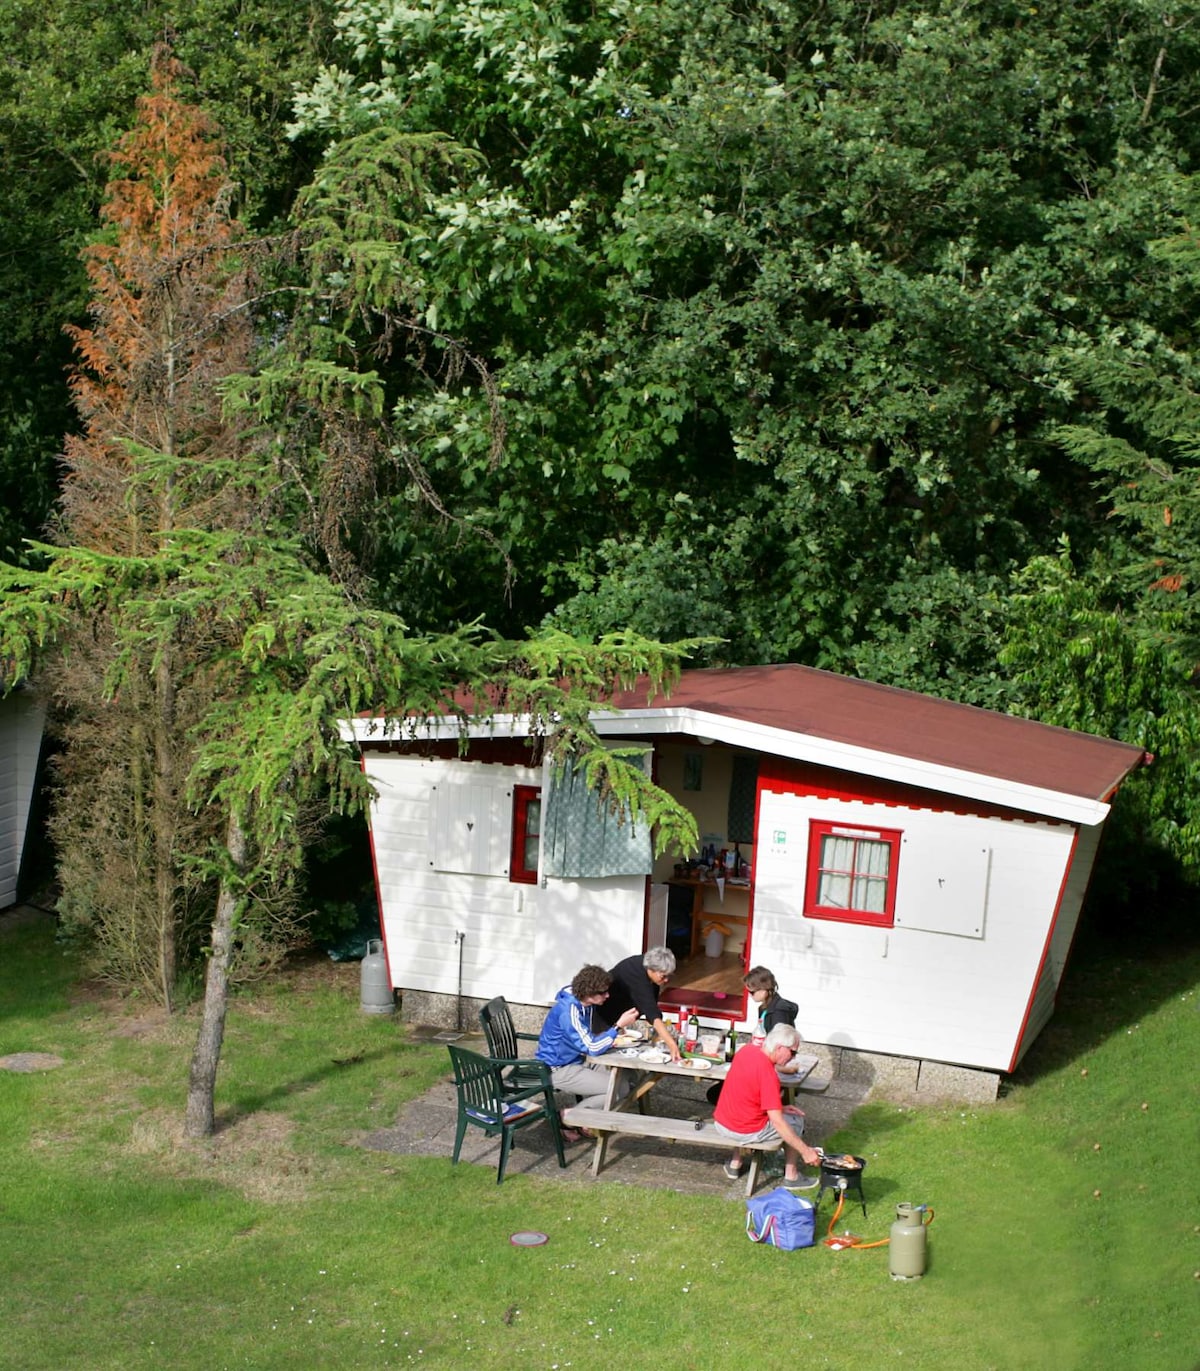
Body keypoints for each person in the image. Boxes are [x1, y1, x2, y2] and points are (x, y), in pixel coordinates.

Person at [536, 964, 639, 1140]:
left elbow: (588, 1040)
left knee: (629, 1075)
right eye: (603, 992)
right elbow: (592, 1047)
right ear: (588, 993)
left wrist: (612, 1034)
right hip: (559, 1069)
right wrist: (617, 1026)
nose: (608, 995)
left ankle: (587, 1118)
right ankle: (568, 1117)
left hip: (578, 1058)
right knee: (619, 1089)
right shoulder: (570, 1012)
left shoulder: (584, 1004)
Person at [713, 1022, 821, 1189]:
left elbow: (747, 1096)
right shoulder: (768, 1075)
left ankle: (735, 1164)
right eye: (792, 1052)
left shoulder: (746, 1051)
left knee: (782, 1113)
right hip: (743, 1132)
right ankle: (791, 1176)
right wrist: (806, 1151)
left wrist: (780, 1107)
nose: (793, 1057)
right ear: (779, 1047)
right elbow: (778, 1122)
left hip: (721, 1123)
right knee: (795, 1120)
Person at [707, 964, 802, 1105]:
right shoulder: (765, 1007)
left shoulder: (778, 1011)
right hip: (763, 1063)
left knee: (719, 1094)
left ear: (765, 990)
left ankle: (739, 1119)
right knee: (719, 1090)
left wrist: (781, 1068)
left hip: (769, 1069)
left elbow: (781, 1047)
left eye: (752, 992)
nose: (750, 995)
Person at [590, 946, 683, 1062]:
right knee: (603, 1054)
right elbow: (652, 1012)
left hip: (619, 1017)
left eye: (669, 976)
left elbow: (651, 1008)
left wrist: (661, 1033)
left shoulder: (650, 973)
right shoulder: (636, 973)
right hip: (602, 1013)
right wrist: (671, 1043)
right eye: (663, 976)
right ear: (651, 969)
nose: (666, 980)